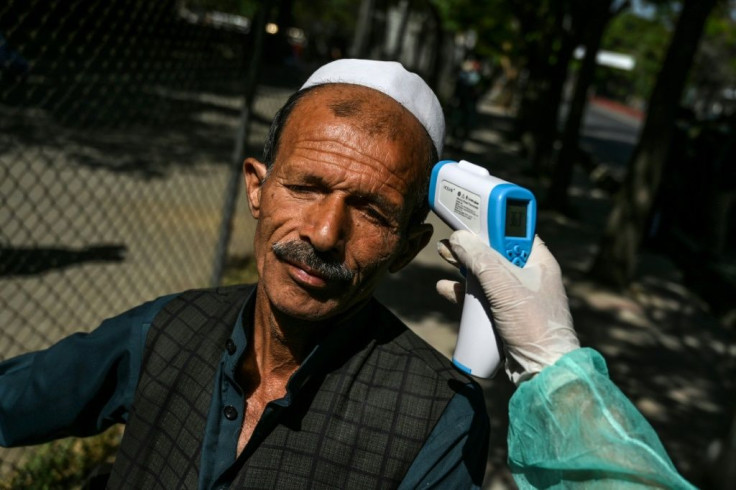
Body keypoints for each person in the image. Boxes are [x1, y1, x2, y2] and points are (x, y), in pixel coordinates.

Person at [0, 59, 696, 489]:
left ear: (407, 246)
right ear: (257, 189)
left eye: (370, 210)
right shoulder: (166, 329)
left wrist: (551, 368)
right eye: (305, 187)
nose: (325, 234)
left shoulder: (437, 418)